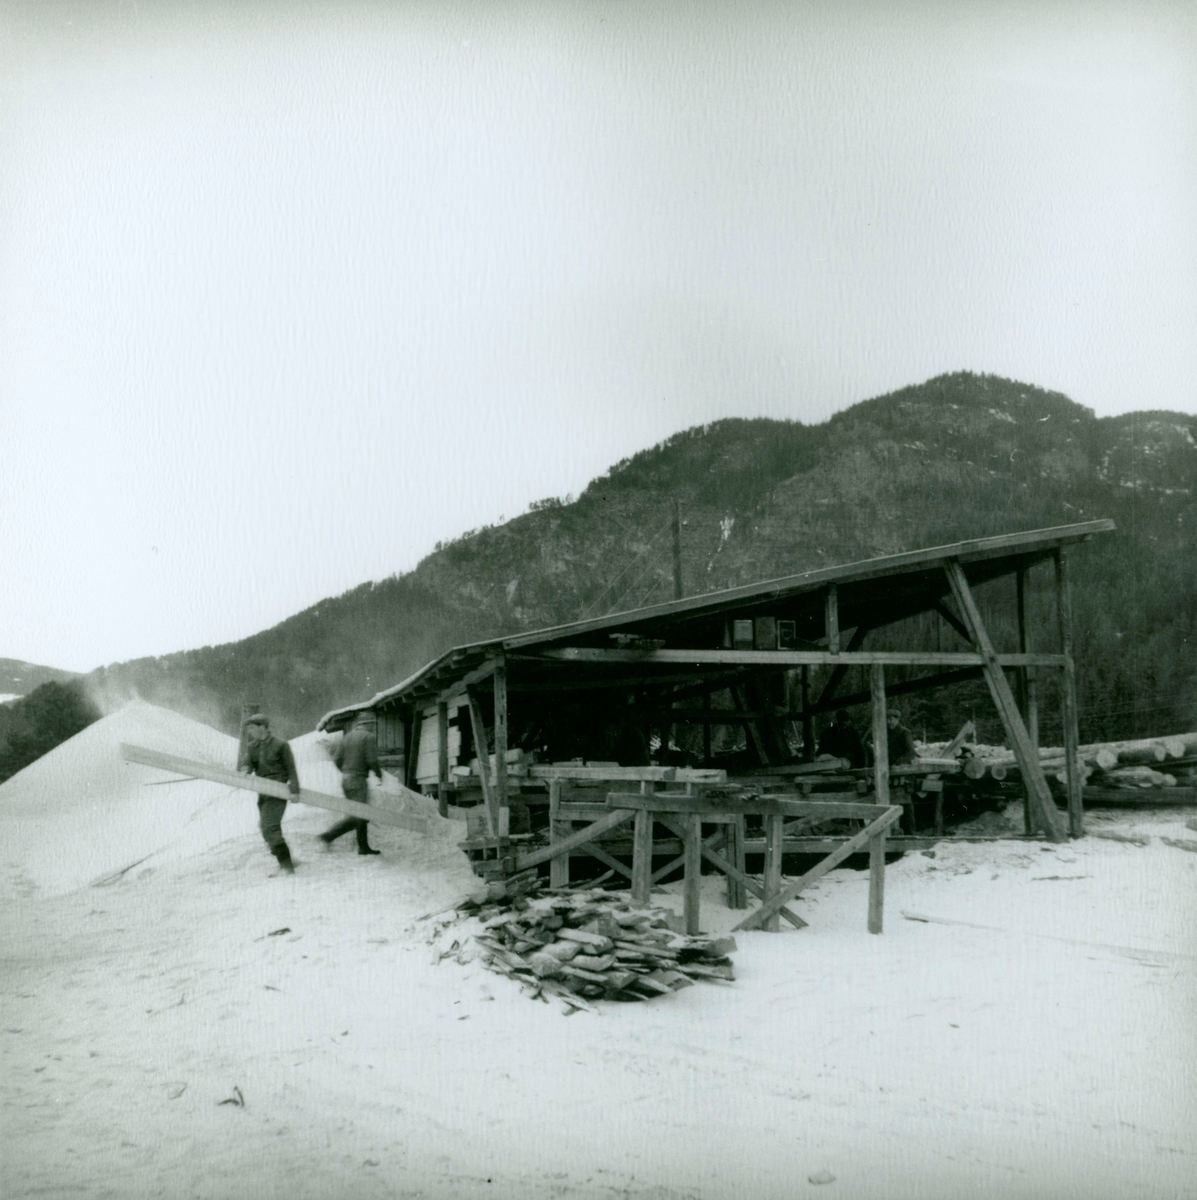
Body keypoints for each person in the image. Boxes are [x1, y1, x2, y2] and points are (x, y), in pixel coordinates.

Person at [239, 714, 300, 874]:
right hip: (263, 791)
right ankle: (286, 860)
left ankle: (287, 867)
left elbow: (291, 769)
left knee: (270, 828)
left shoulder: (281, 745)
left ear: (263, 727)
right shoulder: (252, 747)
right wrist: (245, 769)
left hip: (278, 791)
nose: (250, 732)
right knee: (265, 828)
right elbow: (247, 762)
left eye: (252, 728)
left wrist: (294, 791)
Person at [319, 711, 383, 855]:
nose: (374, 727)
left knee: (360, 812)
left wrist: (347, 772)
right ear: (367, 724)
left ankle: (363, 847)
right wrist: (378, 774)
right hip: (358, 781)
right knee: (359, 815)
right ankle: (328, 836)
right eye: (373, 724)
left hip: (346, 780)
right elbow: (372, 760)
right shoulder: (369, 737)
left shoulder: (347, 738)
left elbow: (336, 760)